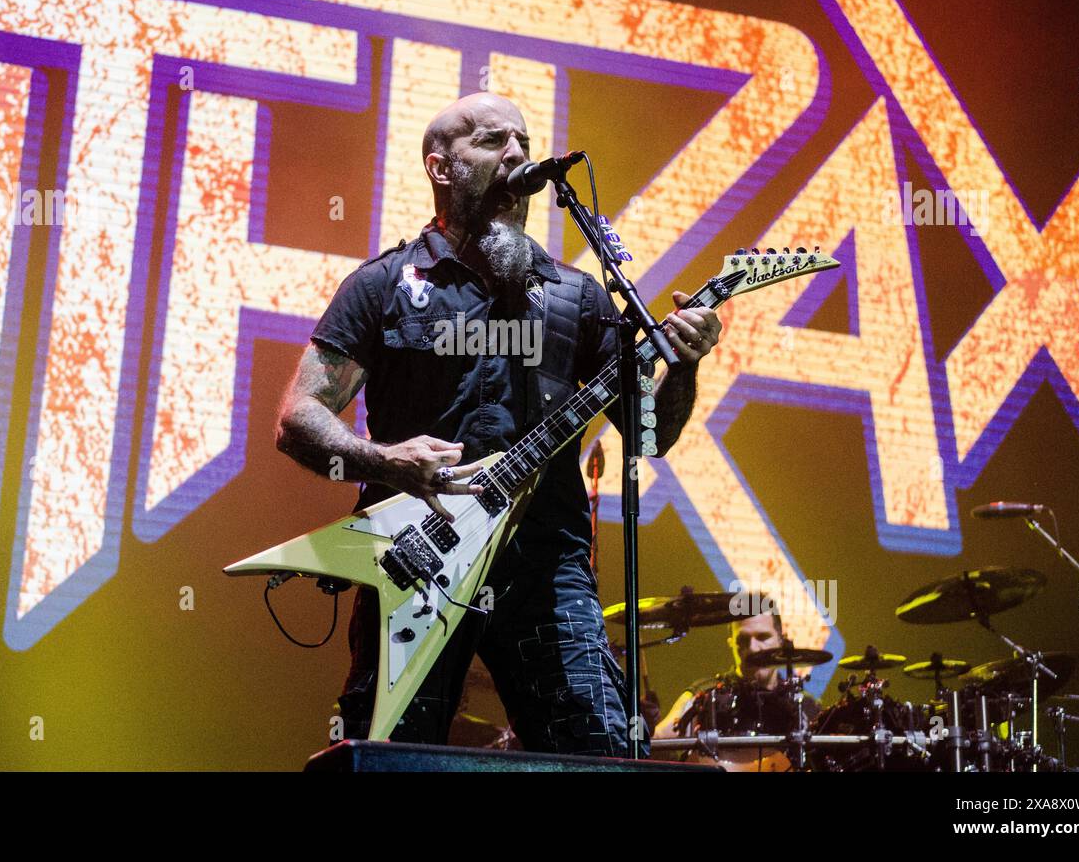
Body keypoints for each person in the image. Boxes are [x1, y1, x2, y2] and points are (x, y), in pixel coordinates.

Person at [275, 92, 721, 757]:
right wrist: (386, 460)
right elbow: (298, 415)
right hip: (416, 561)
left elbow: (651, 435)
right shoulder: (384, 284)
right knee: (394, 754)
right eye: (490, 140)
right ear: (441, 168)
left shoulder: (576, 295)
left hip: (546, 569)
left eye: (521, 138)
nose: (516, 153)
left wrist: (682, 368)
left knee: (597, 755)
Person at [654, 608, 820, 769]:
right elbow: (657, 740)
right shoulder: (706, 695)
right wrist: (646, 723)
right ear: (731, 643)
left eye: (763, 637)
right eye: (743, 640)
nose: (753, 648)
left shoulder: (805, 707)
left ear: (781, 641)